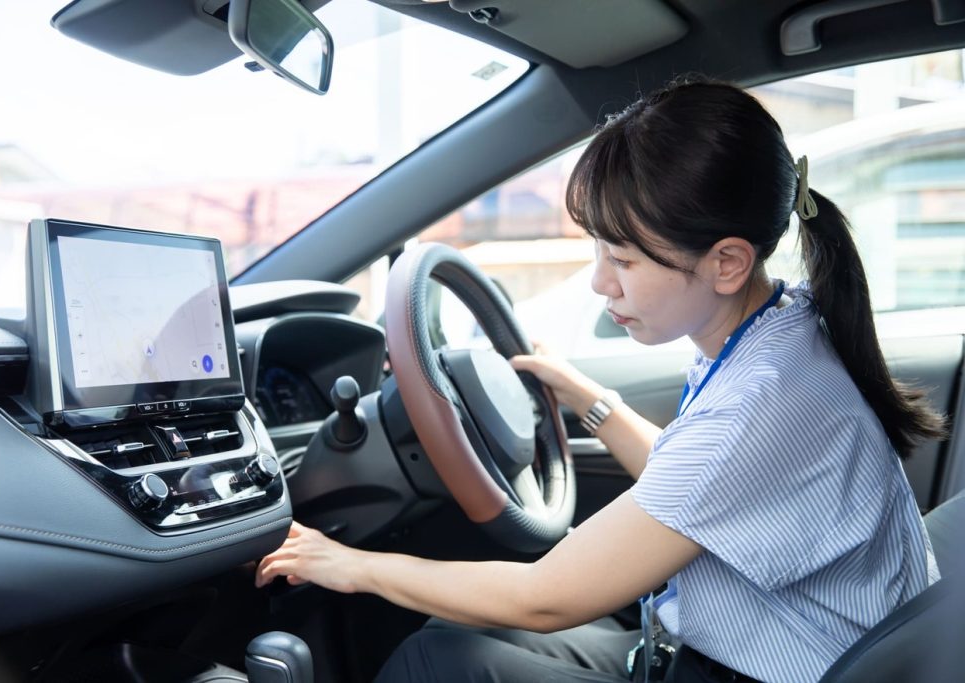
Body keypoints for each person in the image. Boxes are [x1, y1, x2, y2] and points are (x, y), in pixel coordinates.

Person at [253, 77, 947, 683]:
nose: (598, 280)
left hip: (759, 668)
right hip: (746, 648)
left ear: (726, 261)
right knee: (453, 637)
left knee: (438, 663)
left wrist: (351, 565)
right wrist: (585, 396)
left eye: (624, 257)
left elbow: (546, 595)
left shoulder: (759, 406)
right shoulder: (779, 326)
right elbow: (692, 483)